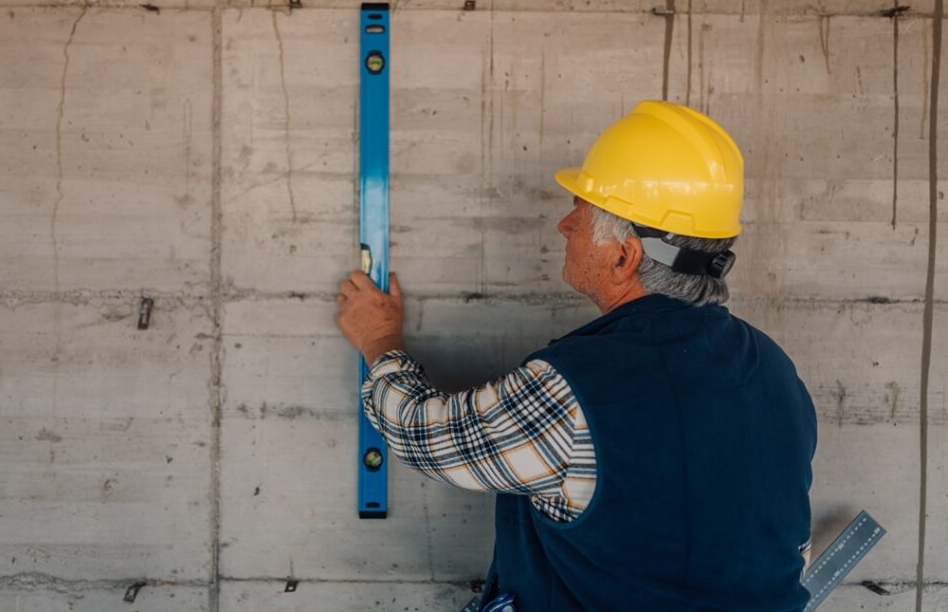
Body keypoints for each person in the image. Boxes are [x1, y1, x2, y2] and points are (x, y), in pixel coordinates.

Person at [335, 100, 817, 611]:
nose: (565, 226)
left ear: (625, 256)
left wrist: (379, 339)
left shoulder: (579, 389)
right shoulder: (774, 370)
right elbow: (784, 548)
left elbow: (424, 437)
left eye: (581, 213)